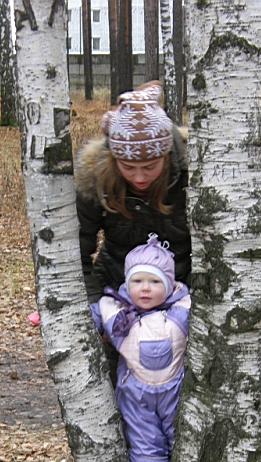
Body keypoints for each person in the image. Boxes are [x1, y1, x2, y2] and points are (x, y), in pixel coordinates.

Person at [90, 235, 191, 462]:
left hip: (175, 388)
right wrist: (53, 317)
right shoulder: (115, 310)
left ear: (169, 284)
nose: (145, 288)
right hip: (136, 392)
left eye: (155, 282)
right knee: (142, 435)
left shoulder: (182, 308)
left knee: (181, 433)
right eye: (137, 281)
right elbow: (89, 317)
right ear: (127, 282)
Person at [75, 80, 191, 304]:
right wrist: (96, 304)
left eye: (150, 167)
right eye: (128, 167)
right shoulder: (96, 181)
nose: (139, 178)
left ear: (166, 157)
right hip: (114, 289)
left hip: (182, 291)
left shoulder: (193, 176)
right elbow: (77, 253)